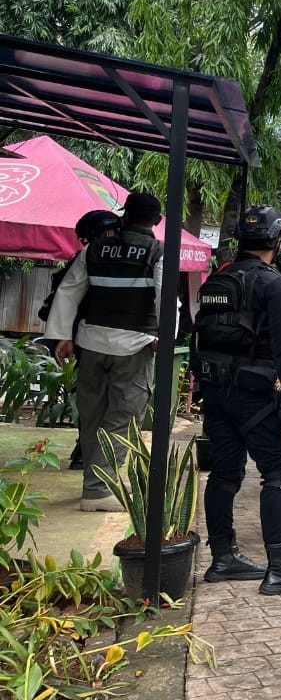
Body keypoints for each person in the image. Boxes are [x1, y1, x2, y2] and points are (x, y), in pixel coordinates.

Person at [193, 204, 281, 594]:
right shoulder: (274, 285)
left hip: (216, 394)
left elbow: (198, 337)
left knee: (224, 474)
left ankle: (223, 558)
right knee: (280, 474)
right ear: (276, 240)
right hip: (258, 397)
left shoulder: (216, 280)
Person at [47, 192, 165, 512]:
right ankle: (98, 490)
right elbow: (164, 297)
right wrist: (164, 336)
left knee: (93, 415)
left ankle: (95, 482)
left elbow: (68, 291)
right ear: (157, 221)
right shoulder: (157, 251)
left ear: (126, 215)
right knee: (123, 417)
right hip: (134, 345)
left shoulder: (94, 249)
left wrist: (62, 335)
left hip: (91, 342)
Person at [39, 210, 124, 472]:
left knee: (93, 400)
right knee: (108, 402)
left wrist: (65, 336)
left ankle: (87, 453)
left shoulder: (87, 257)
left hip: (88, 340)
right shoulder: (123, 256)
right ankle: (93, 455)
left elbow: (62, 297)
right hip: (115, 341)